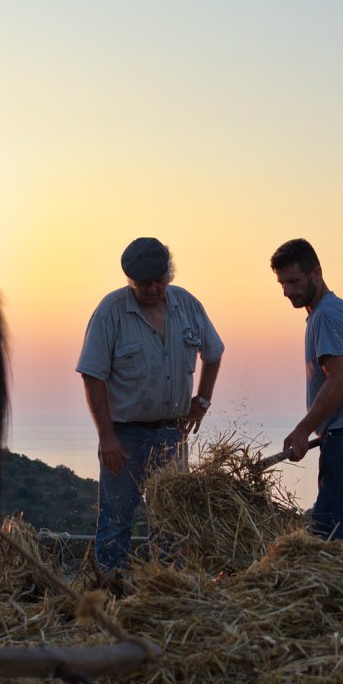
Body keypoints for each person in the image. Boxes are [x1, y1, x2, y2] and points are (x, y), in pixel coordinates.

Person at [76, 236, 223, 577]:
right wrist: (106, 437)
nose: (154, 289)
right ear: (131, 282)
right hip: (125, 436)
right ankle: (109, 594)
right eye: (145, 284)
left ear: (169, 275)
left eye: (159, 281)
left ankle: (165, 593)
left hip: (173, 434)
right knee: (116, 519)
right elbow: (92, 376)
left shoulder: (187, 305)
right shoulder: (110, 312)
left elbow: (213, 354)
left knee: (170, 523)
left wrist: (201, 401)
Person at [272, 238, 343, 544]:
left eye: (294, 281)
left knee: (328, 535)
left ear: (317, 273)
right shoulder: (328, 311)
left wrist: (302, 430)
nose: (288, 291)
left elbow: (339, 382)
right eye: (282, 283)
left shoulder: (327, 315)